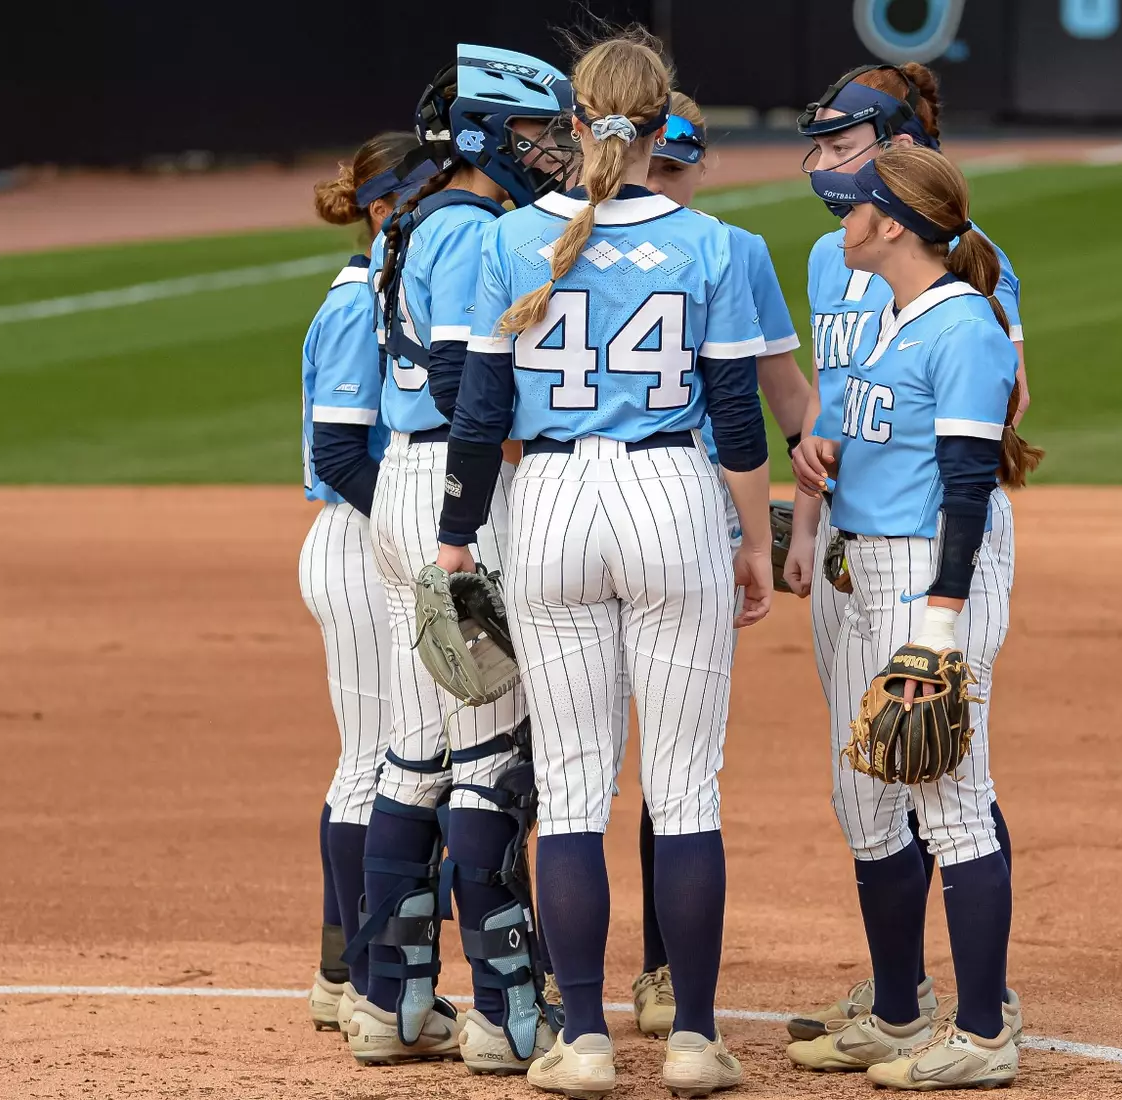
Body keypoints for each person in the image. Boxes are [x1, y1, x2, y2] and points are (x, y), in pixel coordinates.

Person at [432, 28, 773, 1098]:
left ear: (575, 123)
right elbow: (738, 416)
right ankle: (692, 1039)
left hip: (550, 508)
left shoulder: (502, 241)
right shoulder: (721, 243)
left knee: (575, 787)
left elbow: (480, 414)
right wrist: (754, 539)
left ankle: (580, 1039)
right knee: (686, 789)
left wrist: (455, 536)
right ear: (663, 118)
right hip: (673, 497)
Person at [781, 60, 1029, 1041]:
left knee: (946, 781)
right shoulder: (885, 306)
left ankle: (982, 1014)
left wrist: (941, 618)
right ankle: (900, 1003)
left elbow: (974, 457)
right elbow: (858, 411)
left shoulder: (961, 311)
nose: (833, 186)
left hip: (928, 561)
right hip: (861, 551)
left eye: (849, 159)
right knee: (871, 783)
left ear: (892, 213)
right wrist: (816, 490)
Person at [343, 45, 577, 1073]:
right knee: (488, 759)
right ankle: (505, 1015)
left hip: (398, 487)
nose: (551, 152)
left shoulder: (414, 220)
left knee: (412, 750)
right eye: (532, 135)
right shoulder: (475, 229)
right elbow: (457, 385)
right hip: (455, 496)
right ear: (485, 135)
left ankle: (387, 1003)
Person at [618, 88, 814, 1040]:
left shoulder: (547, 236)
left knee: (576, 770)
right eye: (664, 164)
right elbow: (776, 405)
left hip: (572, 516)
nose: (670, 179)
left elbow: (786, 397)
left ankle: (568, 982)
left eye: (671, 165)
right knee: (672, 762)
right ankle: (657, 983)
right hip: (684, 516)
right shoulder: (725, 248)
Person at [298, 131, 432, 1036]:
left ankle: (347, 970)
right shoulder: (356, 305)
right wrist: (413, 532)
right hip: (360, 541)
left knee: (394, 759)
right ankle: (350, 977)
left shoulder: (393, 290)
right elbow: (340, 450)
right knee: (374, 761)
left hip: (384, 537)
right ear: (384, 209)